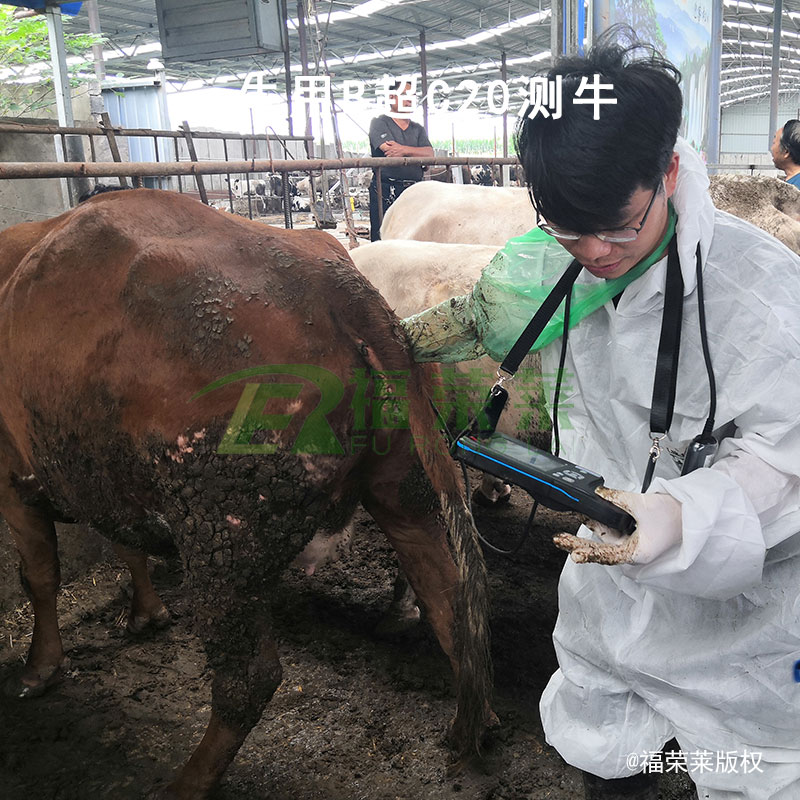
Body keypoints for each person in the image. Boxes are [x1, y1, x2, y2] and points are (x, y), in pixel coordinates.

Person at [401, 31, 800, 800]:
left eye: (617, 227)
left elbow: (790, 457)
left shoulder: (766, 297)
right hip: (609, 596)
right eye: (564, 228)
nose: (593, 253)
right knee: (612, 765)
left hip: (741, 619)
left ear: (670, 170)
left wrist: (683, 518)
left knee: (743, 768)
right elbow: (460, 321)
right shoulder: (550, 268)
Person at [368, 80, 434, 241]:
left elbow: (430, 154)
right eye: (403, 94)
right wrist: (416, 155)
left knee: (413, 235)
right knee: (384, 235)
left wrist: (403, 150)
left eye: (412, 95)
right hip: (385, 190)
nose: (408, 99)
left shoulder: (418, 129)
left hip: (414, 191)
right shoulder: (379, 123)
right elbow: (389, 149)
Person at [770, 120, 800, 188]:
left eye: (774, 143)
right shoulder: (791, 182)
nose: (772, 148)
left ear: (786, 152)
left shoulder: (796, 187)